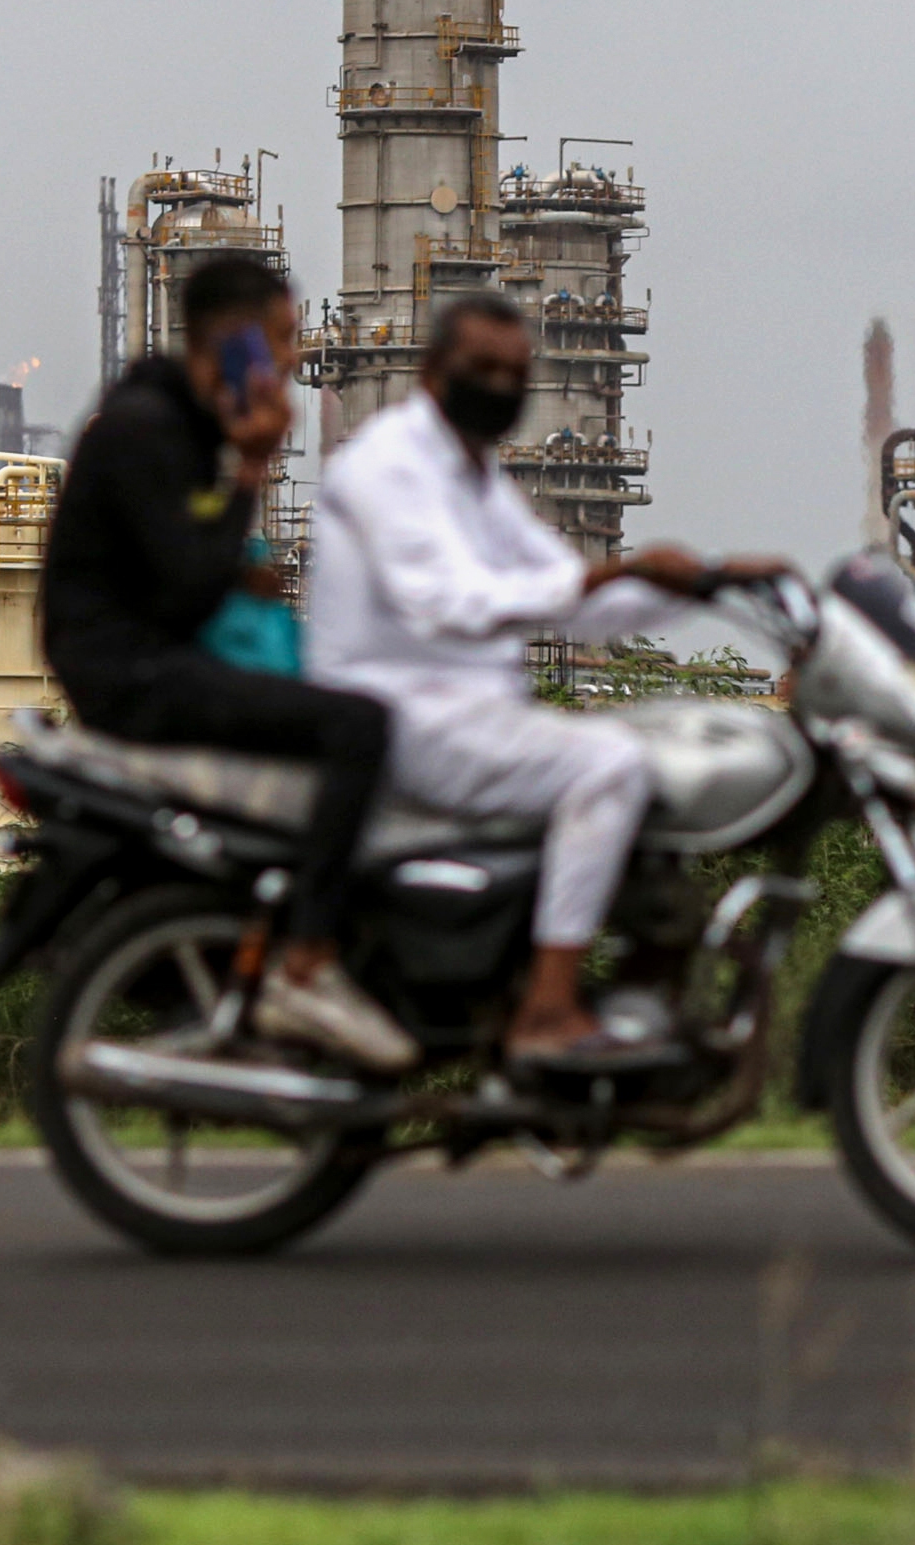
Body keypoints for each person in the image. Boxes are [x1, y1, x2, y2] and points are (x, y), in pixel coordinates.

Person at [305, 290, 772, 1072]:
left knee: (657, 752)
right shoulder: (389, 463)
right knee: (609, 765)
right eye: (480, 368)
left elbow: (567, 591)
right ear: (431, 371)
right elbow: (446, 601)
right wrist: (613, 573)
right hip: (401, 713)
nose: (497, 385)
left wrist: (707, 583)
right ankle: (548, 1007)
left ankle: (623, 980)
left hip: (469, 709)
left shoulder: (475, 476)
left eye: (513, 372)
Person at [41, 254, 414, 1073]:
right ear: (235, 339)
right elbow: (183, 590)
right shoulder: (146, 429)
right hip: (133, 673)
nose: (290, 359)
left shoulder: (164, 417)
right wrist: (252, 469)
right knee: (360, 728)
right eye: (281, 338)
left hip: (145, 656)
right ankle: (309, 962)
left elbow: (185, 557)